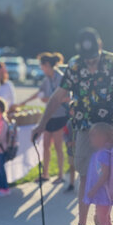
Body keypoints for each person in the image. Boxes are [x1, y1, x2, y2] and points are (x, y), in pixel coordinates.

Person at [31, 28, 113, 225]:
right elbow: (58, 96)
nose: (91, 64)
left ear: (101, 46)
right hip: (85, 128)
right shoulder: (75, 64)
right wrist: (42, 124)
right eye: (88, 60)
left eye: (94, 58)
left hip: (112, 128)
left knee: (107, 178)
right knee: (85, 175)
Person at [19, 52, 69, 184]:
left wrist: (49, 99)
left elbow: (68, 97)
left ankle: (60, 174)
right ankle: (45, 174)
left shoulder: (61, 77)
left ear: (47, 65)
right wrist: (23, 103)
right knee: (46, 145)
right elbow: (38, 93)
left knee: (58, 146)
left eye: (42, 66)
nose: (41, 69)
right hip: (49, 117)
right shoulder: (47, 79)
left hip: (60, 116)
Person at [84, 122, 113, 225]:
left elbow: (104, 175)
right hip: (100, 194)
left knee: (105, 222)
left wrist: (94, 189)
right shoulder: (100, 153)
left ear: (104, 138)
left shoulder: (104, 154)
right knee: (102, 221)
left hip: (103, 194)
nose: (91, 137)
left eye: (94, 135)